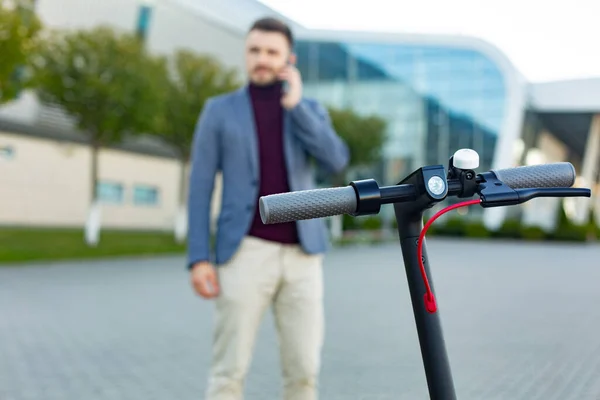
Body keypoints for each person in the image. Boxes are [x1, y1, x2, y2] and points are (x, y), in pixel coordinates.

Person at [186, 16, 350, 400]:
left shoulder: (309, 109)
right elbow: (200, 186)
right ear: (246, 54)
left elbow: (336, 160)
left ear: (288, 58)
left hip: (304, 256)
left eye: (271, 52)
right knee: (228, 371)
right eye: (254, 50)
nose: (262, 58)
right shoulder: (219, 111)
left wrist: (295, 107)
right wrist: (198, 257)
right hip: (244, 250)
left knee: (304, 372)